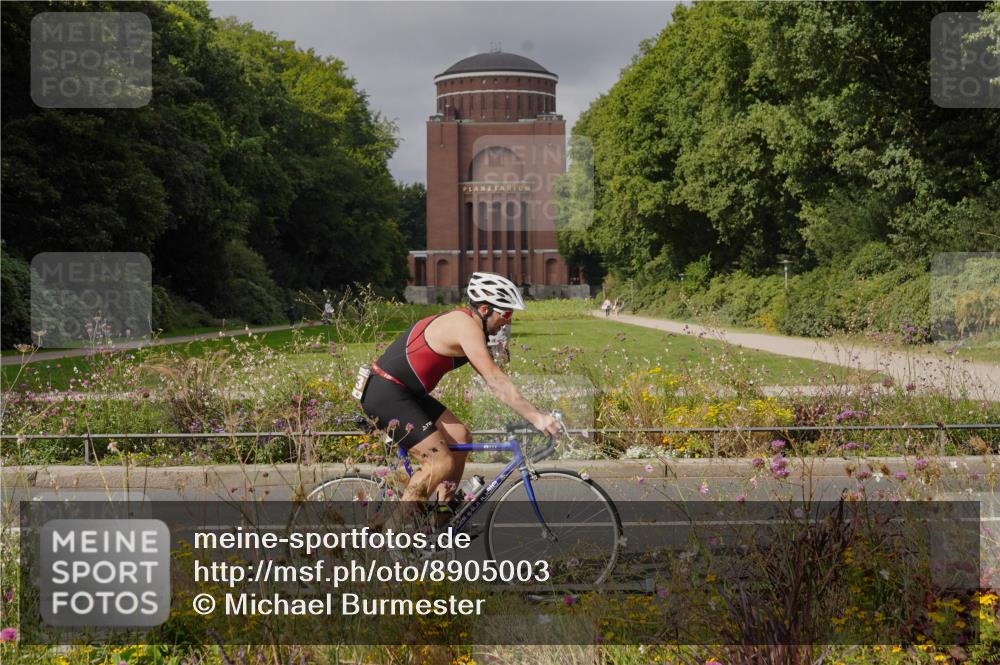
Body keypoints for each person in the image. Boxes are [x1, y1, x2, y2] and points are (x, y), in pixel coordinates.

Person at [357, 272, 561, 514]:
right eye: (506, 313)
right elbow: (496, 381)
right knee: (438, 461)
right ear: (484, 309)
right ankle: (397, 540)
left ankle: (441, 520)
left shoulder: (471, 326)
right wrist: (536, 417)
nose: (508, 321)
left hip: (406, 392)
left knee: (460, 436)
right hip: (386, 391)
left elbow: (494, 379)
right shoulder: (465, 326)